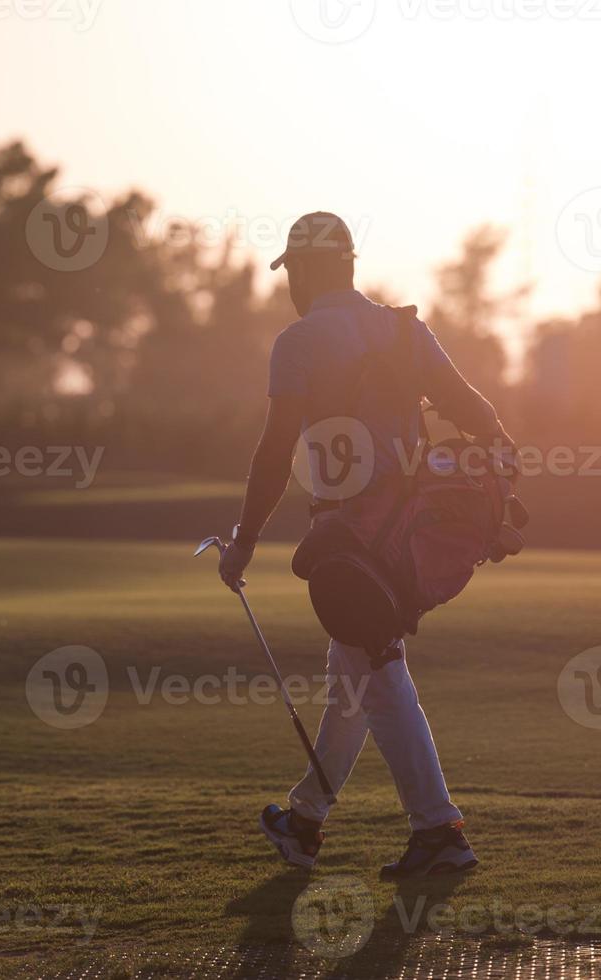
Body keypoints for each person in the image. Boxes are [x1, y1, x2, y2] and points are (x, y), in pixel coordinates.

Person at [216, 211, 514, 878]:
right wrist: (501, 480)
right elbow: (475, 412)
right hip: (408, 530)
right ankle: (304, 822)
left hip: (350, 539)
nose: (289, 284)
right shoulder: (404, 329)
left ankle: (438, 832)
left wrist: (243, 542)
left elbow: (272, 455)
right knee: (352, 673)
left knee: (377, 672)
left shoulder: (297, 342)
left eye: (291, 270)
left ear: (309, 271)